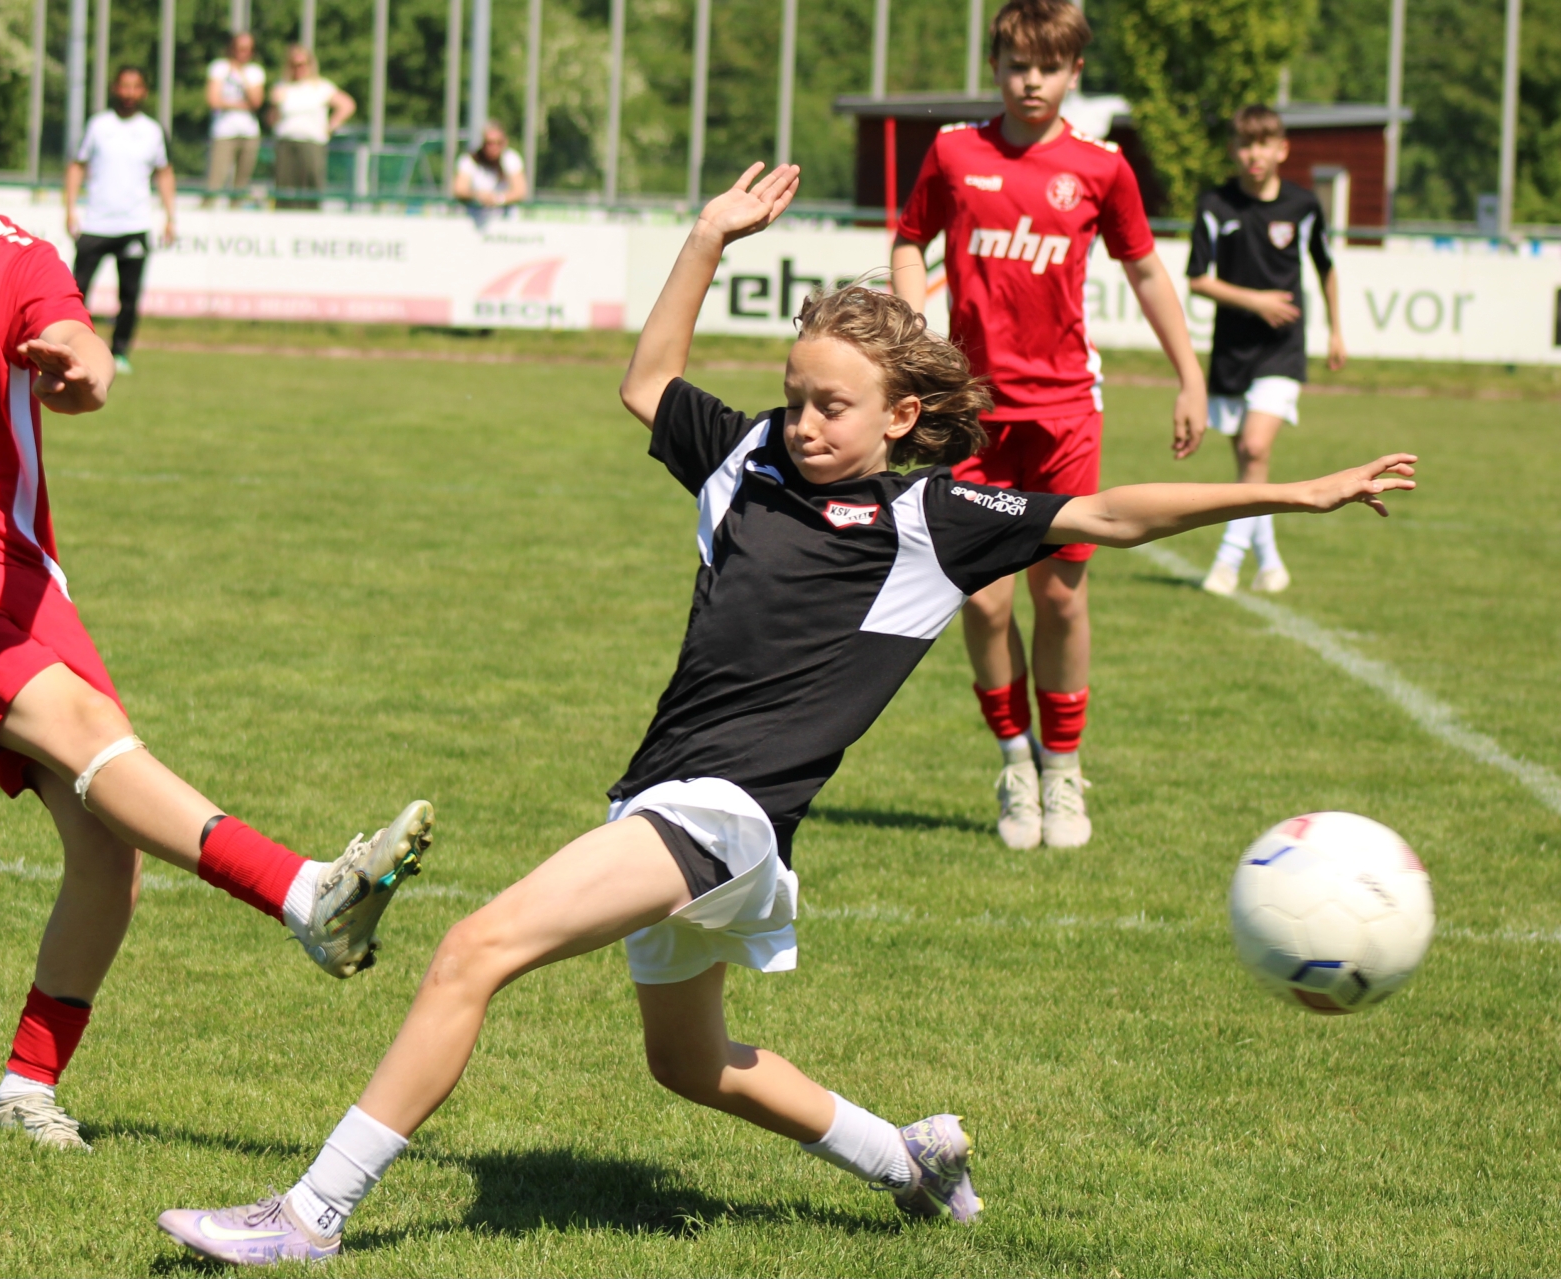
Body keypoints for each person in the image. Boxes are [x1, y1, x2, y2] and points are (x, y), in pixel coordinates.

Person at [154, 161, 1417, 1264]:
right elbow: (649, 380)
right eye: (796, 393)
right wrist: (707, 237)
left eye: (834, 406)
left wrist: (1294, 493)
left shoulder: (930, 517)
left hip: (730, 814)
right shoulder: (744, 456)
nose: (806, 422)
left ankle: (312, 1214)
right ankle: (907, 1159)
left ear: (902, 417)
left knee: (473, 950)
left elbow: (1110, 513)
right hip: (669, 794)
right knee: (687, 1062)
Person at [0, 30, 434, 1155]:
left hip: (8, 576)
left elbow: (73, 340)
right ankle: (307, 894)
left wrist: (82, 368)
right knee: (95, 739)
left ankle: (25, 1089)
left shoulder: (14, 260)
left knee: (109, 846)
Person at [889, 0, 1207, 852]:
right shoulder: (955, 152)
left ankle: (1063, 767)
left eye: (1049, 66)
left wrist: (1190, 374)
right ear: (996, 66)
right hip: (972, 418)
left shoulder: (1102, 168)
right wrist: (913, 332)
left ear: (1074, 72)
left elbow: (1145, 271)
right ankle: (1015, 763)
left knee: (1060, 595)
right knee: (982, 597)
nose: (1032, 80)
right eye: (1017, 64)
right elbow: (910, 240)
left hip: (1066, 413)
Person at [1188, 104, 1347, 596]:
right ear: (1232, 149)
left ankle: (1226, 563)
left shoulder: (1303, 205)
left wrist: (1336, 330)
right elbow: (1197, 279)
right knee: (1247, 465)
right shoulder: (1215, 204)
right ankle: (1272, 564)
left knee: (1256, 448)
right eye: (1244, 144)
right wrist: (1255, 301)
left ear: (1282, 149)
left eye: (1263, 144)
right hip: (1232, 351)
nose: (1253, 154)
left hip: (1282, 349)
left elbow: (1325, 266)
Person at [66, 66, 176, 375]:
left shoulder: (153, 130)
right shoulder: (98, 125)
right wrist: (70, 208)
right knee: (76, 293)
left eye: (135, 86)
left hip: (134, 225)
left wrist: (170, 216)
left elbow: (164, 173)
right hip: (96, 224)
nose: (129, 93)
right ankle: (73, 348)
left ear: (144, 91)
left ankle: (120, 353)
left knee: (129, 296)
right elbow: (77, 165)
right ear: (115, 88)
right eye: (124, 86)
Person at [268, 45, 354, 206]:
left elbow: (347, 105)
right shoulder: (282, 86)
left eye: (302, 64)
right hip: (286, 142)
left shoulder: (321, 87)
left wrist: (330, 127)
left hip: (311, 142)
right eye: (294, 65)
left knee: (311, 187)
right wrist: (274, 104)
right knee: (284, 189)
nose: (298, 69)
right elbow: (272, 120)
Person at [204, 33, 265, 207]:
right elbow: (213, 100)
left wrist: (242, 76)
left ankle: (235, 209)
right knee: (216, 179)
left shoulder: (255, 72)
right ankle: (207, 209)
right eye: (240, 48)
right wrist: (242, 105)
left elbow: (256, 102)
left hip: (249, 132)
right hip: (224, 131)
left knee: (242, 182)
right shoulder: (219, 67)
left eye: (248, 49)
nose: (243, 52)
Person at [452, 122, 526, 227]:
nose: (493, 147)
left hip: (505, 222)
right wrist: (477, 196)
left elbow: (520, 191)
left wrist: (498, 199)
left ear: (504, 142)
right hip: (473, 220)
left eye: (498, 143)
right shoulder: (469, 160)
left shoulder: (511, 158)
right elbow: (459, 189)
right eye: (489, 143)